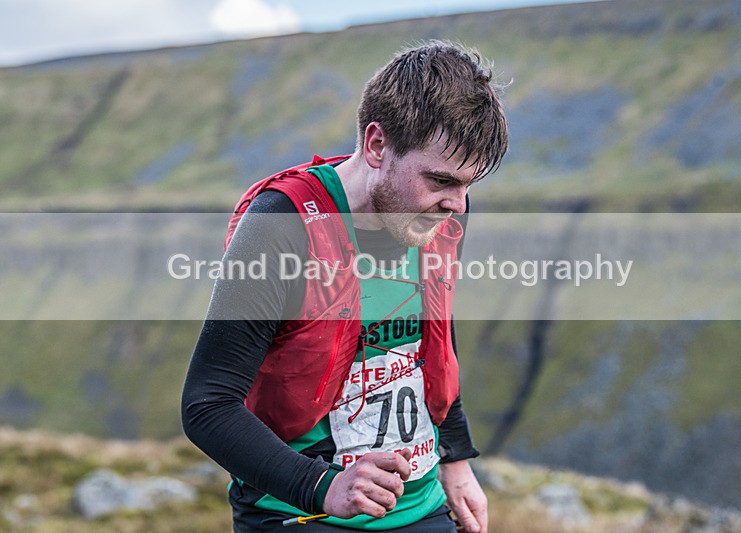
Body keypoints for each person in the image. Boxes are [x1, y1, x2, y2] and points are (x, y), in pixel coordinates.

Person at [182, 40, 508, 532]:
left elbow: (434, 340)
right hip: (300, 513)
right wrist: (323, 486)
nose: (457, 204)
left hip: (421, 508)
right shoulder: (282, 225)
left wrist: (455, 459)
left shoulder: (437, 213)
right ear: (377, 145)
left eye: (469, 185)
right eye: (441, 180)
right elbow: (207, 406)